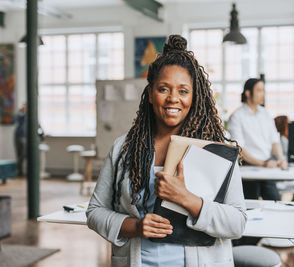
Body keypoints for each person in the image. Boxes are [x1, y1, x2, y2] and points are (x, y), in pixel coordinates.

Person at [86, 35, 246, 267]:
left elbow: (237, 222)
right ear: (150, 94)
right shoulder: (124, 148)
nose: (173, 98)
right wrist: (136, 226)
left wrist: (186, 199)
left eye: (183, 91)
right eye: (163, 89)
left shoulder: (214, 150)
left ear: (194, 97)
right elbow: (95, 212)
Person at [227, 78, 288, 201]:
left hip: (267, 167)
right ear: (248, 93)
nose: (263, 94)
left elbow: (275, 141)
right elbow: (240, 149)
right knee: (250, 207)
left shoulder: (265, 114)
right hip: (248, 169)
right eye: (259, 90)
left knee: (275, 203)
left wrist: (281, 159)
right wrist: (263, 164)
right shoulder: (237, 116)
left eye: (263, 90)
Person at [14, 103, 27, 176]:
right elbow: (17, 119)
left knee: (23, 154)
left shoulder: (31, 114)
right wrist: (22, 111)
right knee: (19, 155)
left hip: (25, 137)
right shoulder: (20, 114)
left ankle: (19, 170)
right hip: (18, 136)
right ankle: (19, 171)